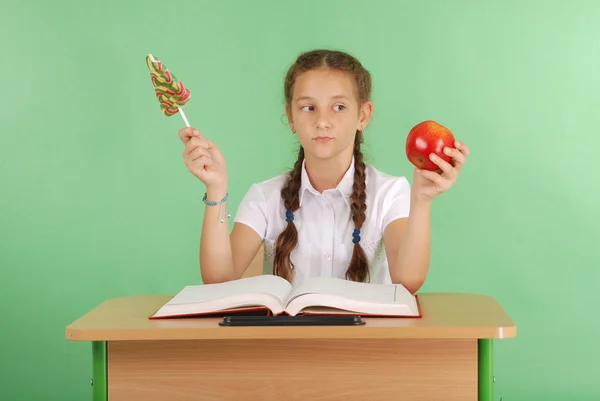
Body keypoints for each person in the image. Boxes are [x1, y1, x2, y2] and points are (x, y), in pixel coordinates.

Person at [177, 49, 470, 293]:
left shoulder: (389, 191)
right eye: (308, 108)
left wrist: (422, 201)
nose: (323, 121)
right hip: (285, 352)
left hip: (367, 352)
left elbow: (408, 281)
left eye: (339, 107)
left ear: (363, 115)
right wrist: (216, 188)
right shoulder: (264, 197)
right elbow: (218, 281)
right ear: (291, 116)